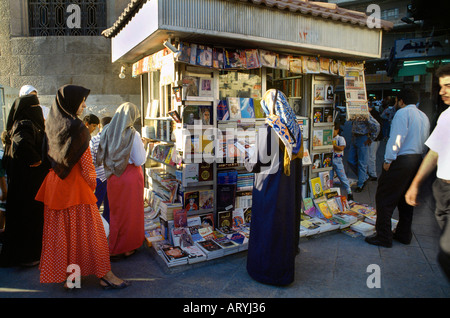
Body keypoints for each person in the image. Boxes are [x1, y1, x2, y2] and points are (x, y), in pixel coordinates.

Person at [35, 85, 129, 289]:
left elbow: (45, 158)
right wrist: (93, 186)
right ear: (71, 102)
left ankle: (72, 278)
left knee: (64, 236)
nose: (85, 105)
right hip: (76, 189)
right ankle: (105, 274)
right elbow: (87, 168)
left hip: (54, 188)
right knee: (93, 235)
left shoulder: (52, 124)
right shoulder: (78, 128)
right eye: (81, 101)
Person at [245, 89, 303, 286]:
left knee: (268, 227)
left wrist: (246, 156)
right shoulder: (294, 129)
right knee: (283, 226)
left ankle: (267, 271)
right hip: (287, 192)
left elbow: (256, 164)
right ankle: (284, 267)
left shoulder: (270, 129)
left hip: (270, 191)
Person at [365, 88, 430, 248]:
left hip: (402, 160)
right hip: (417, 159)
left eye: (396, 101)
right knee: (405, 200)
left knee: (384, 198)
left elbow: (397, 138)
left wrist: (388, 159)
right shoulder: (423, 116)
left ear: (400, 101)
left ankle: (383, 236)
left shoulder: (402, 113)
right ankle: (403, 234)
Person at [405, 64, 450, 281]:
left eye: (448, 86)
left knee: (446, 252)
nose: (442, 91)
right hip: (442, 189)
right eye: (441, 86)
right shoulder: (445, 116)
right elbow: (433, 152)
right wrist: (415, 184)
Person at [0, 90, 49, 267]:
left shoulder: (19, 123)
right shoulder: (25, 124)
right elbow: (21, 144)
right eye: (34, 106)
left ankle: (26, 255)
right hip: (28, 185)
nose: (38, 109)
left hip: (24, 183)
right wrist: (36, 159)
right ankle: (28, 256)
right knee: (29, 218)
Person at [96, 102, 146, 260]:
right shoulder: (132, 134)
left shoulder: (107, 130)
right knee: (131, 214)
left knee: (116, 213)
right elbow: (139, 160)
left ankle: (114, 245)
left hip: (113, 176)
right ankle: (127, 247)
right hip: (130, 177)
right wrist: (144, 146)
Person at [347, 113, 380, 192]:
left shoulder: (365, 114)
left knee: (362, 162)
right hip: (355, 137)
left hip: (363, 137)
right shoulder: (355, 113)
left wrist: (371, 138)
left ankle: (361, 184)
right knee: (350, 160)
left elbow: (376, 125)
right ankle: (364, 177)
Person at [90, 116, 112, 223]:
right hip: (110, 177)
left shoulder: (93, 140)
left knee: (95, 206)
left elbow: (92, 160)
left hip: (98, 177)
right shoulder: (113, 141)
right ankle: (106, 227)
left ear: (99, 126)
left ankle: (93, 228)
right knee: (108, 207)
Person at [332, 122, 353, 201]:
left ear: (337, 130)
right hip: (330, 160)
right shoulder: (329, 138)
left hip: (337, 160)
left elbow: (341, 148)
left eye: (333, 130)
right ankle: (331, 193)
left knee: (342, 177)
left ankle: (349, 192)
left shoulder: (340, 138)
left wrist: (332, 145)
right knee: (330, 178)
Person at [367, 102, 383, 181]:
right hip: (377, 138)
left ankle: (373, 174)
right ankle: (371, 173)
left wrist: (372, 138)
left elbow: (377, 126)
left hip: (374, 139)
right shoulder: (375, 113)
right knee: (371, 156)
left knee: (371, 156)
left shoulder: (372, 114)